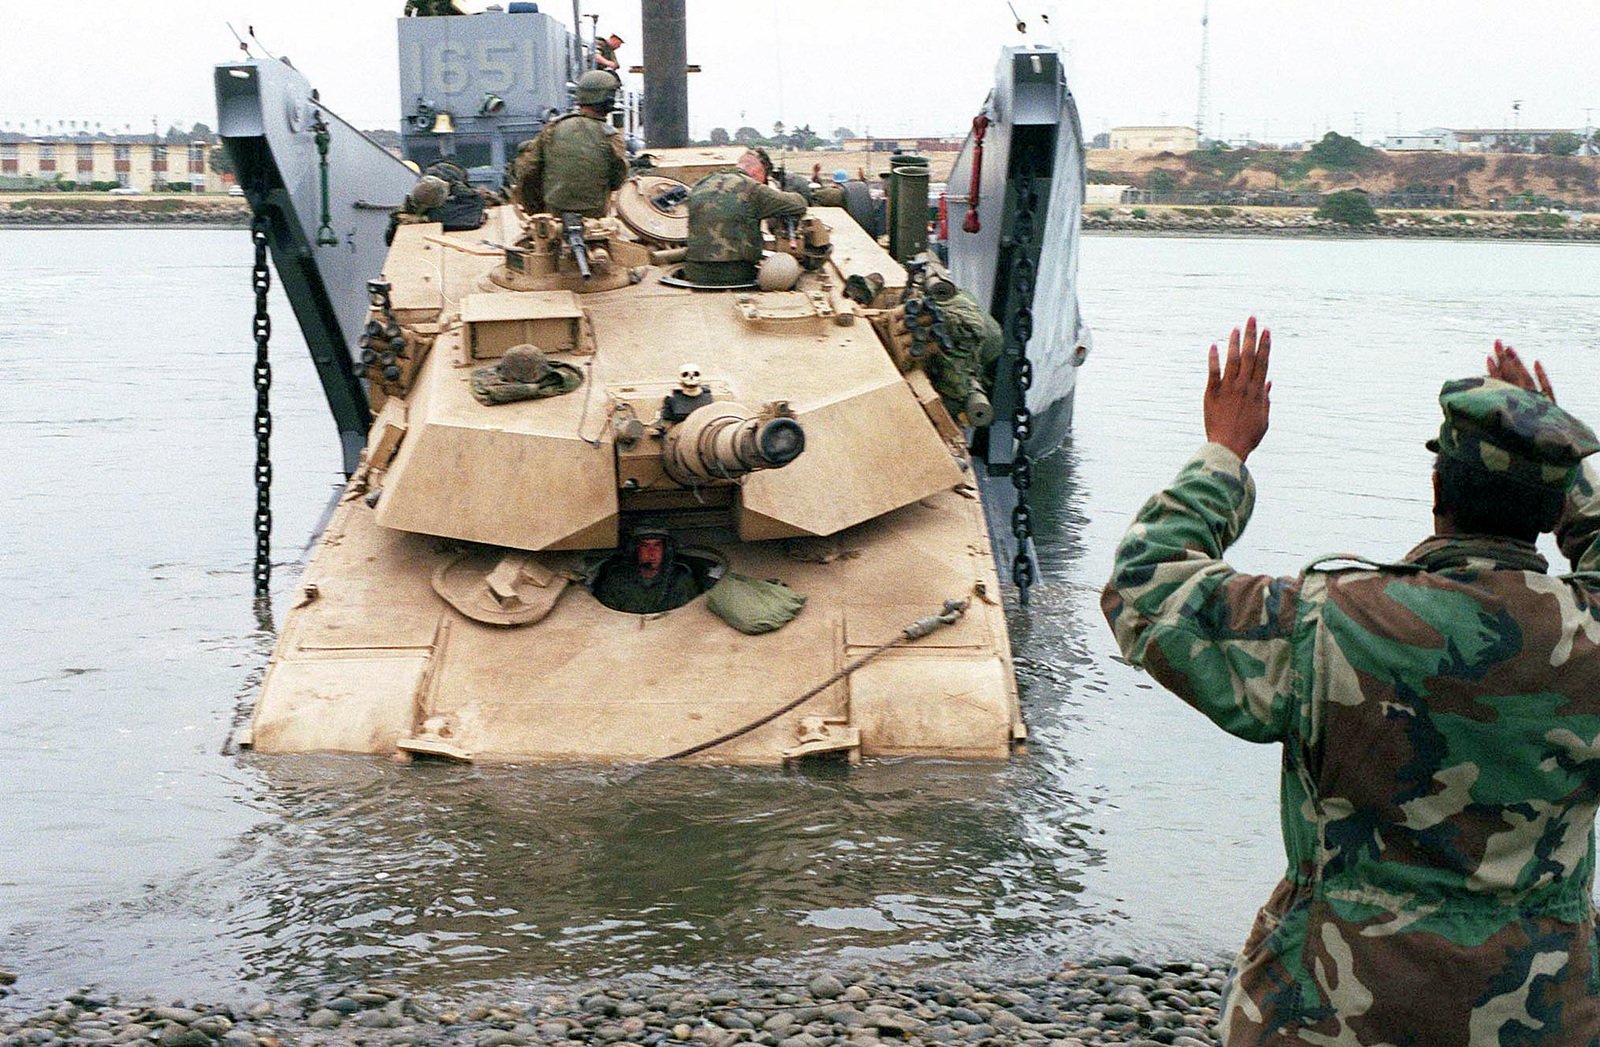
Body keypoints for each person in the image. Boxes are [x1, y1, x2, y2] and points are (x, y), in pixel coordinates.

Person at [1101, 324, 1600, 1045]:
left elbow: (1145, 587)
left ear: (1437, 489)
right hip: (1543, 1011)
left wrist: (1225, 454)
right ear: (1552, 512)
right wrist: (1561, 472)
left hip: (1328, 1008)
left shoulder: (1332, 621)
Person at [509, 71, 627, 218]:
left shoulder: (553, 128)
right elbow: (618, 181)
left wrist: (535, 211)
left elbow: (529, 172)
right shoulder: (611, 137)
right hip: (594, 214)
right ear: (608, 101)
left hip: (553, 212)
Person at [684, 149, 807, 286]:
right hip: (738, 273)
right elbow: (799, 204)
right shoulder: (753, 188)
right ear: (759, 172)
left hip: (694, 272)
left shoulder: (700, 184)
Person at [591, 523, 702, 614]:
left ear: (665, 550)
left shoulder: (681, 581)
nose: (651, 553)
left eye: (657, 545)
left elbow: (691, 619)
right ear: (635, 550)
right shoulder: (616, 582)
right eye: (645, 546)